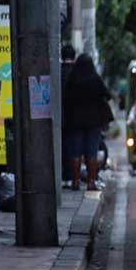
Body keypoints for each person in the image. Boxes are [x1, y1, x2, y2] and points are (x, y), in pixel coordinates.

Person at [62, 54, 111, 191]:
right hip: (93, 122)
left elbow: (65, 98)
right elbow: (107, 95)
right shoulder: (95, 79)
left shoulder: (73, 79)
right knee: (91, 152)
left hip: (75, 122)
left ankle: (75, 181)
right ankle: (91, 182)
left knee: (75, 152)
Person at [60, 44, 77, 175]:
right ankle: (73, 176)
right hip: (76, 117)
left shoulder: (57, 72)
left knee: (62, 146)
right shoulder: (79, 72)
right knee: (74, 147)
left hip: (60, 116)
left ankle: (64, 174)